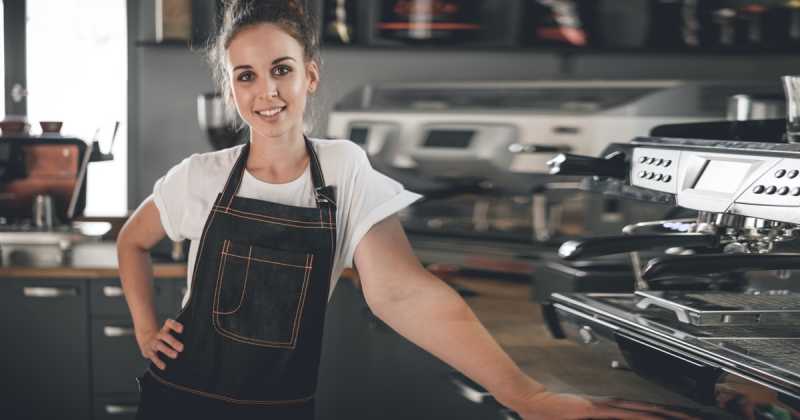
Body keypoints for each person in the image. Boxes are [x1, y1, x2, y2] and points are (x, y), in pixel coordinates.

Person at [117, 1, 698, 419]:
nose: (265, 91)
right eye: (246, 76)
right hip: (179, 400)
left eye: (281, 69)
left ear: (310, 75)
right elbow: (132, 242)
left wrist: (526, 395)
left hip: (280, 407)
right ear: (233, 91)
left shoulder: (343, 170)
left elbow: (401, 291)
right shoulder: (202, 176)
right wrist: (146, 327)